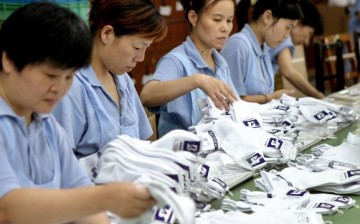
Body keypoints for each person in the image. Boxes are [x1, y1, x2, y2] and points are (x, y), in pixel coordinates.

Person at [0, 2, 154, 223]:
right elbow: (7, 208)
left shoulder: (46, 125)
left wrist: (100, 206)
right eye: (51, 76)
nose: (60, 89)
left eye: (69, 77)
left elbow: (79, 189)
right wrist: (106, 197)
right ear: (9, 60)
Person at [53, 0, 167, 158]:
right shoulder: (71, 87)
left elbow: (144, 140)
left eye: (146, 48)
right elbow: (61, 165)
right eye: (137, 48)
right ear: (107, 34)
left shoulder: (123, 80)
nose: (141, 58)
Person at [140, 0, 239, 137]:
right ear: (193, 17)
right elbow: (147, 96)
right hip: (183, 154)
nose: (225, 28)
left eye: (229, 20)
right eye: (217, 19)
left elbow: (235, 106)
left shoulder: (220, 62)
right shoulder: (175, 61)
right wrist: (197, 80)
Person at [221, 0, 304, 103]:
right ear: (267, 17)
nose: (287, 35)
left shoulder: (264, 47)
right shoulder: (238, 45)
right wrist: (271, 97)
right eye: (287, 27)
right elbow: (232, 99)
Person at [268, 0, 325, 99]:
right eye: (309, 34)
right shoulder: (284, 38)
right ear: (299, 22)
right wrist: (318, 95)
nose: (307, 42)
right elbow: (288, 71)